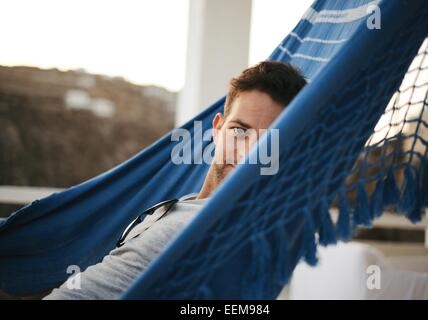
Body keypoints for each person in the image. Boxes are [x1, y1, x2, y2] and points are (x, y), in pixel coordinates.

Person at [44, 61, 307, 299]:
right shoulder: (188, 205)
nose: (248, 152)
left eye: (270, 140)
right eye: (239, 130)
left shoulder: (197, 229)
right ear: (217, 129)